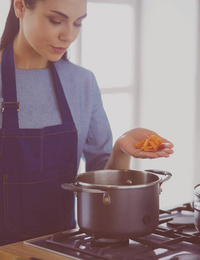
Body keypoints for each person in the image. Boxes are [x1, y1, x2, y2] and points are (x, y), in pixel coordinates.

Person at [0, 0, 173, 246]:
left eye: (78, 23)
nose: (68, 35)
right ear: (19, 7)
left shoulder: (82, 83)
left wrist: (120, 150)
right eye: (56, 20)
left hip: (62, 252)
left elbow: (101, 183)